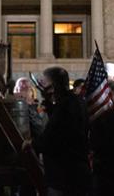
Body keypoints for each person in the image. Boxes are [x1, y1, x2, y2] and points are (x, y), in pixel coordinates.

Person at [33, 66, 90, 196]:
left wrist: (32, 144)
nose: (43, 88)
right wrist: (48, 102)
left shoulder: (65, 106)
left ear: (53, 86)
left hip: (64, 176)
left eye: (45, 84)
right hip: (78, 172)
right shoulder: (76, 101)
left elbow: (52, 137)